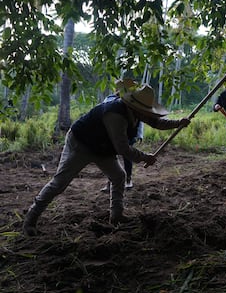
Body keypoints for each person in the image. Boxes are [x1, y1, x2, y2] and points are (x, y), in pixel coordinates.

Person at [22, 78, 191, 236]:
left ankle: (117, 216)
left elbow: (157, 123)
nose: (146, 114)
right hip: (82, 144)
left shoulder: (137, 112)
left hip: (103, 149)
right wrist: (145, 157)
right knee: (60, 183)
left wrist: (178, 123)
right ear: (133, 105)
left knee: (119, 176)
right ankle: (30, 219)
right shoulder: (114, 114)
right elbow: (122, 148)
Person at [100, 94, 145, 192]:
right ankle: (110, 182)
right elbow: (103, 114)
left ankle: (128, 179)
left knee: (127, 155)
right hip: (112, 133)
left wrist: (139, 134)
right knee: (111, 158)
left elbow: (139, 119)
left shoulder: (133, 102)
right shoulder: (109, 99)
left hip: (129, 133)